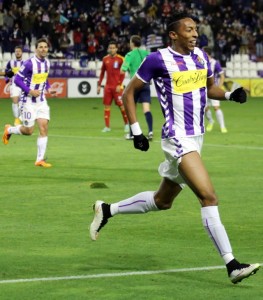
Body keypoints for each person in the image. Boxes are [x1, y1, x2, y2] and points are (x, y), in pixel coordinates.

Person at [90, 12, 260, 284]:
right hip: (176, 138)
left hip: (197, 138)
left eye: (196, 29)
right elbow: (128, 93)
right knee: (208, 197)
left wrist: (229, 95)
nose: (195, 33)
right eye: (189, 29)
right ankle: (232, 264)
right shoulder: (157, 60)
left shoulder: (202, 57)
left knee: (162, 201)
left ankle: (107, 209)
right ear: (173, 34)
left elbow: (209, 89)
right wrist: (136, 132)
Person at [2, 38, 56, 168]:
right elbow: (17, 80)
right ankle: (9, 129)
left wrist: (49, 89)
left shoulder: (47, 63)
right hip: (27, 101)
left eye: (45, 47)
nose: (43, 49)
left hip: (41, 101)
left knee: (43, 128)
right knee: (29, 131)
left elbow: (44, 79)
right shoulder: (29, 63)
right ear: (36, 49)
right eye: (41, 47)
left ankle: (39, 160)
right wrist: (29, 91)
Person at [121, 35, 153, 140]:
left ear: (132, 43)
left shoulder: (129, 55)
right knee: (146, 109)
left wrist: (129, 69)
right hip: (146, 83)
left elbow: (123, 70)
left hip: (134, 85)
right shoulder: (147, 54)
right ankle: (150, 132)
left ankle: (132, 134)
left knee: (131, 109)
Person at [97, 40, 129, 133]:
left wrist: (119, 84)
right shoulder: (105, 59)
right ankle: (107, 127)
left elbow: (122, 73)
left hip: (117, 87)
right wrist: (99, 85)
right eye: (110, 48)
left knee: (122, 106)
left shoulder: (121, 59)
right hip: (108, 87)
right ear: (108, 49)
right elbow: (102, 73)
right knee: (106, 107)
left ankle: (127, 124)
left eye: (113, 48)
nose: (111, 49)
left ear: (117, 49)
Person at [203, 46, 227, 133]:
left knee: (216, 107)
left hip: (213, 89)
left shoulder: (214, 63)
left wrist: (219, 87)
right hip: (203, 89)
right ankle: (211, 122)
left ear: (206, 53)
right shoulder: (201, 62)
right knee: (205, 108)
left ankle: (222, 126)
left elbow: (222, 76)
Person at [5, 45, 24, 125]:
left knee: (24, 103)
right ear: (15, 53)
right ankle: (16, 119)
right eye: (16, 51)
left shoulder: (25, 63)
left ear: (22, 52)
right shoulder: (11, 62)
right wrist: (7, 79)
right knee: (15, 101)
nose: (18, 53)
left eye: (19, 51)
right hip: (14, 85)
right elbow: (6, 71)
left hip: (24, 85)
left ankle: (23, 117)